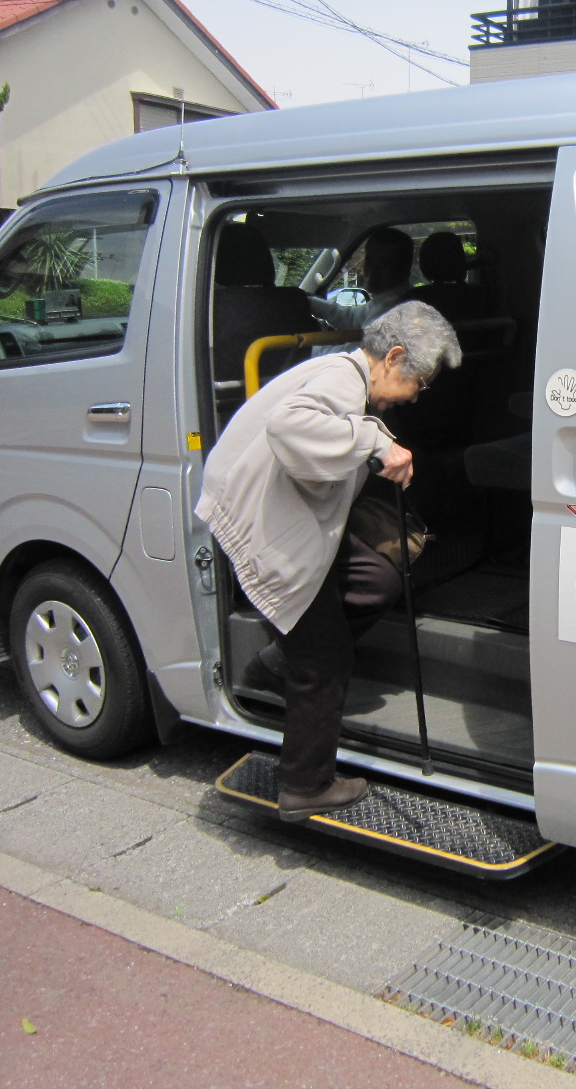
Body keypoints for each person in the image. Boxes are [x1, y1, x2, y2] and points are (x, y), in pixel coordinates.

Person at [195, 301, 462, 821]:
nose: (415, 396)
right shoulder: (341, 380)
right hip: (264, 521)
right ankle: (305, 785)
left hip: (298, 517)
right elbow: (288, 426)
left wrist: (377, 441)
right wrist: (375, 444)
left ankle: (276, 665)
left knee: (379, 579)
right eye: (420, 383)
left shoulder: (352, 383)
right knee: (324, 656)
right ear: (394, 358)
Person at [315, 227, 416, 336]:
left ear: (404, 269)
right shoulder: (387, 299)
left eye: (383, 264)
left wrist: (306, 347)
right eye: (369, 261)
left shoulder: (393, 310)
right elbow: (352, 317)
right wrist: (310, 302)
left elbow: (355, 350)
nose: (372, 271)